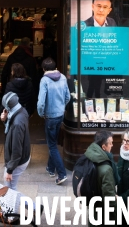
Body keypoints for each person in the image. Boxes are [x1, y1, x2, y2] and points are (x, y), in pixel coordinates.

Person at [37, 57, 70, 185]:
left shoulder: (44, 80)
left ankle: (61, 174)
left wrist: (41, 113)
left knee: (52, 145)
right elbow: (67, 97)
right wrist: (61, 107)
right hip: (60, 114)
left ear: (44, 69)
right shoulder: (62, 77)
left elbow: (40, 102)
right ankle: (51, 168)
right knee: (53, 143)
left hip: (50, 116)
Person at [83, 0, 117, 98]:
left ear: (109, 10)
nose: (101, 10)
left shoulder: (112, 22)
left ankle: (101, 102)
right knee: (92, 85)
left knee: (107, 88)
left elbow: (116, 41)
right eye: (98, 6)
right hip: (93, 64)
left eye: (105, 7)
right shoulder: (84, 25)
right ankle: (90, 101)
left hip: (107, 63)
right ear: (93, 7)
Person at [84, 130, 118, 226]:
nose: (112, 145)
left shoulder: (89, 155)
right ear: (103, 147)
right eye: (110, 143)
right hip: (103, 212)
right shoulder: (106, 169)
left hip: (93, 206)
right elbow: (109, 197)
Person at [0, 92, 31, 189]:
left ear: (8, 108)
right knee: (10, 188)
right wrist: (5, 120)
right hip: (21, 158)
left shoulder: (17, 124)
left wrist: (9, 170)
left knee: (10, 189)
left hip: (17, 162)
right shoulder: (21, 110)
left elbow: (17, 150)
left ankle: (33, 205)